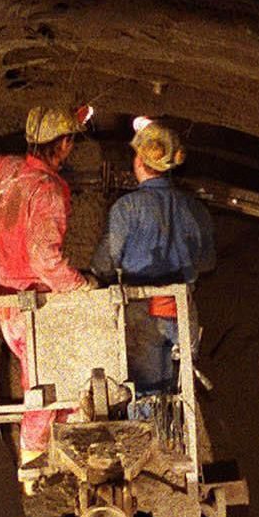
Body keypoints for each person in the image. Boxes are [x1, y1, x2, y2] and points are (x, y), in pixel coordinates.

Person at [0, 103, 95, 459]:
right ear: (61, 144)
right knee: (48, 386)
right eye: (69, 142)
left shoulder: (10, 172)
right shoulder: (47, 191)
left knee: (49, 380)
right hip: (35, 309)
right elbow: (44, 260)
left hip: (9, 308)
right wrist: (81, 286)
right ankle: (33, 464)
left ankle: (56, 454)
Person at [91, 119, 217, 395]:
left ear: (139, 160)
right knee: (179, 402)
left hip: (142, 314)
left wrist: (96, 275)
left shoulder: (127, 208)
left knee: (145, 399)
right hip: (182, 314)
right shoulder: (196, 209)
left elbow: (105, 263)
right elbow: (208, 263)